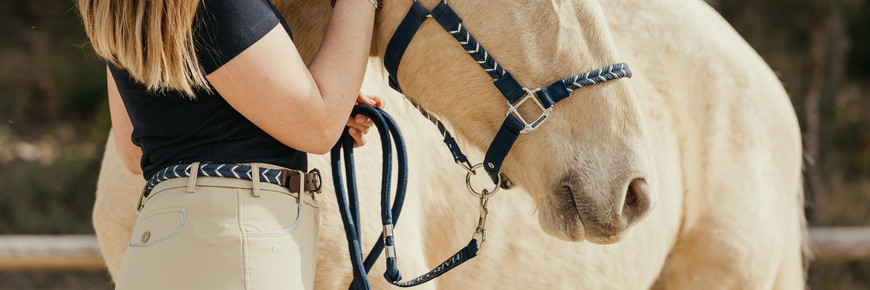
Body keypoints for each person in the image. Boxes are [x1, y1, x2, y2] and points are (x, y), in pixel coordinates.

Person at [78, 0, 382, 288]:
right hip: (240, 239)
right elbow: (321, 126)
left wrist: (285, 112)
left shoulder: (120, 11)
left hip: (153, 245)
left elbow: (135, 149)